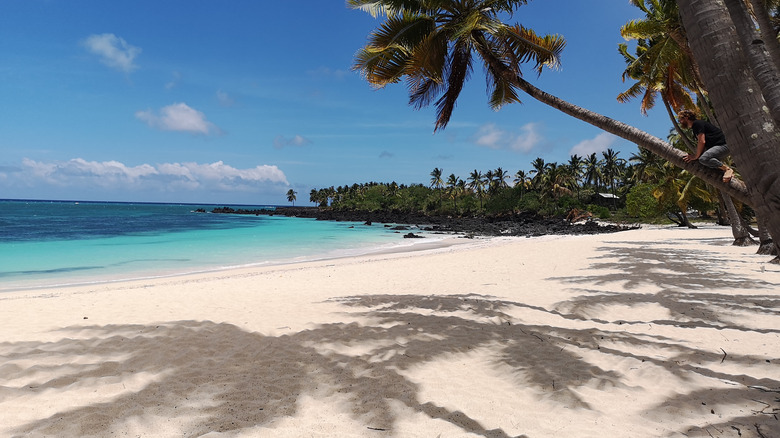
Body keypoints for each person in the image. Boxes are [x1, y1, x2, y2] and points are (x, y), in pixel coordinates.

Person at [678, 110, 734, 183]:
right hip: (722, 146)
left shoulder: (697, 124)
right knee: (707, 163)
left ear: (686, 118)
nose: (679, 121)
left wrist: (696, 156)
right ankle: (728, 174)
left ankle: (727, 169)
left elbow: (702, 141)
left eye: (680, 119)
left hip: (723, 145)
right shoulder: (696, 126)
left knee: (703, 159)